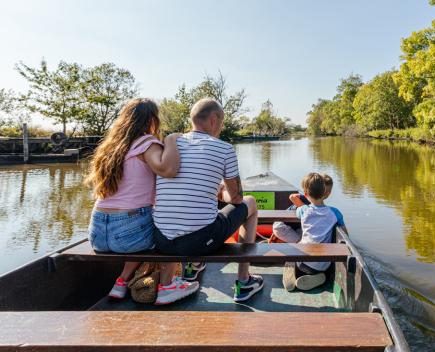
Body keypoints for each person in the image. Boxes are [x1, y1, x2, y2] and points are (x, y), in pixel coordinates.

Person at [85, 98, 197, 305]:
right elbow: (168, 170)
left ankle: (121, 282)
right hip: (128, 234)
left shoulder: (111, 148)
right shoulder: (146, 143)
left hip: (97, 234)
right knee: (170, 229)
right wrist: (171, 140)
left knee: (143, 229)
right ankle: (168, 286)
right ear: (152, 120)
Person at [152, 98, 264, 302]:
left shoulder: (169, 146)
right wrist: (222, 193)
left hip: (161, 240)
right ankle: (244, 280)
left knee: (175, 213)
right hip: (199, 241)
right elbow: (237, 198)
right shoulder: (224, 149)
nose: (220, 128)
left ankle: (168, 283)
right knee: (251, 202)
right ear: (213, 120)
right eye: (221, 123)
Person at [282, 173, 345, 292]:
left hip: (301, 262)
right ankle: (320, 277)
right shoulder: (335, 213)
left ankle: (293, 271)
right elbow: (345, 233)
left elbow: (297, 211)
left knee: (292, 252)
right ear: (325, 192)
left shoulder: (303, 210)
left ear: (305, 194)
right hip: (322, 266)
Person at [272, 174, 333, 243]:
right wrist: (306, 208)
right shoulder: (332, 211)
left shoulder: (307, 206)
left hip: (294, 228)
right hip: (282, 227)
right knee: (303, 239)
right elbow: (292, 197)